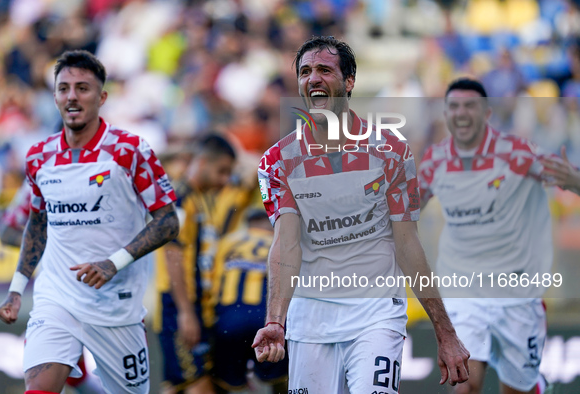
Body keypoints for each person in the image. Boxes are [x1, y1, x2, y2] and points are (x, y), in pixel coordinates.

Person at [252, 35, 470, 393]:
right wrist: (275, 320)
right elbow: (286, 244)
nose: (313, 79)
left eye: (325, 69)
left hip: (376, 315)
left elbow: (408, 245)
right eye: (305, 71)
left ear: (349, 81)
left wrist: (445, 332)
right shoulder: (278, 161)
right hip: (310, 320)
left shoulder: (390, 153)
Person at [0, 49, 179, 394]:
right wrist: (17, 291)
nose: (72, 96)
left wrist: (113, 263)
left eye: (83, 88)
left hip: (116, 306)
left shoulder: (130, 150)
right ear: (54, 96)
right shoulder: (39, 156)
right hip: (57, 298)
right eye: (64, 88)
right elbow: (37, 224)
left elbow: (168, 222)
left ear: (102, 97)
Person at [417, 77, 580, 394]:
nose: (461, 113)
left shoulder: (515, 154)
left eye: (470, 106)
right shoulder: (436, 160)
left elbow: (565, 177)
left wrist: (574, 179)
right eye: (453, 107)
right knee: (466, 385)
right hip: (464, 290)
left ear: (487, 113)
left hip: (516, 292)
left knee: (516, 389)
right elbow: (406, 211)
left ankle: (533, 384)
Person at [155, 134, 255, 394]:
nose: (225, 180)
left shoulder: (200, 198)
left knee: (179, 384)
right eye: (222, 171)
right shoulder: (179, 198)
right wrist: (185, 312)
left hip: (198, 305)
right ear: (202, 162)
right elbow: (172, 254)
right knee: (197, 385)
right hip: (178, 306)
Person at [0, 182, 105, 394]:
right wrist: (55, 247)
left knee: (121, 384)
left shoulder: (115, 166)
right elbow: (6, 231)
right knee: (44, 383)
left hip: (112, 292)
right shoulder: (44, 172)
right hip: (58, 291)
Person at [210, 208, 288, 393]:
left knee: (225, 383)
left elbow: (209, 283)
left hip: (228, 321)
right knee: (279, 379)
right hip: (266, 320)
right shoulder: (280, 244)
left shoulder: (226, 242)